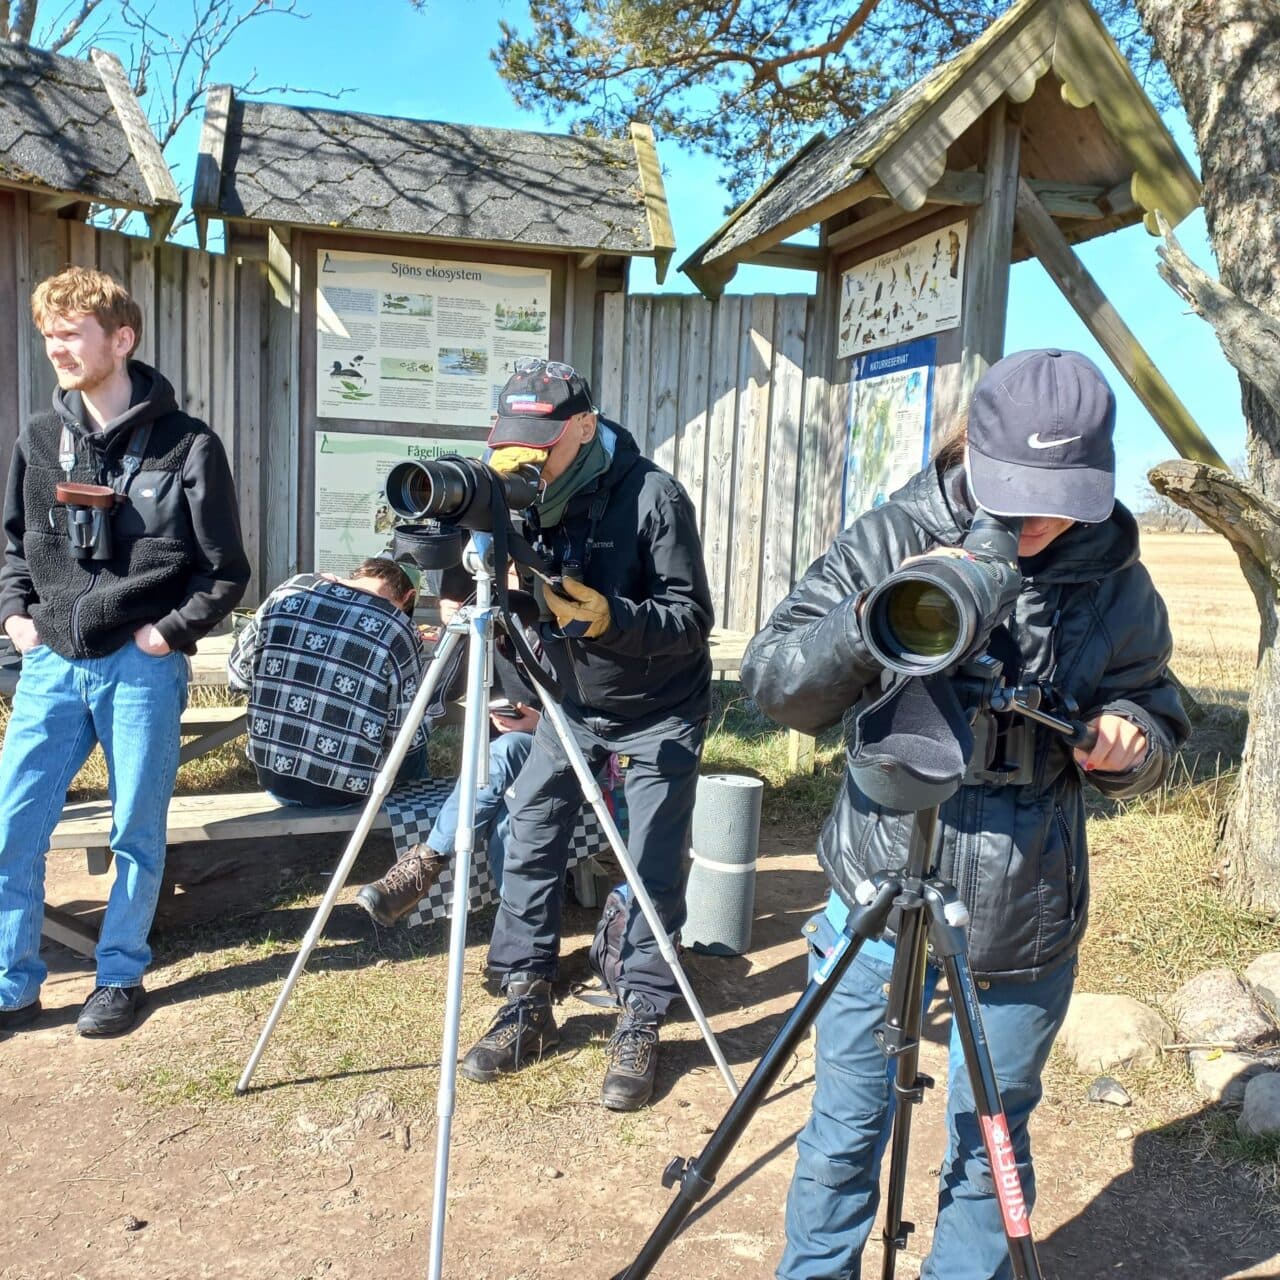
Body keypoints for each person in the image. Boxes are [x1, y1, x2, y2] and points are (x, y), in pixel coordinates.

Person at [742, 348, 1191, 1279]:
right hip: (879, 884)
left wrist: (1130, 741)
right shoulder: (898, 531)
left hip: (1027, 903)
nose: (1036, 518)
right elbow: (777, 685)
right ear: (970, 455)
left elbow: (1155, 704)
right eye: (1016, 489)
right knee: (842, 1129)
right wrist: (886, 612)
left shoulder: (1115, 577)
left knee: (991, 1146)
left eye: (1060, 493)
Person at [0, 266, 250, 1038]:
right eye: (49, 337)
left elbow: (224, 570)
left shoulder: (188, 446)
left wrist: (164, 634)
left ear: (121, 338)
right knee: (13, 825)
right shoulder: (41, 439)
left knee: (135, 829)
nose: (58, 350)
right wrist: (17, 617)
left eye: (71, 334)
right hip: (52, 662)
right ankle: (13, 983)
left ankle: (118, 975)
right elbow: (14, 544)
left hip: (141, 664)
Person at [460, 356, 714, 1111]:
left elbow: (693, 621)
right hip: (569, 706)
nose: (528, 456)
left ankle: (641, 1013)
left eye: (544, 441)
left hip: (659, 704)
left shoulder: (653, 498)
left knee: (650, 863)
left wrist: (612, 618)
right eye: (514, 441)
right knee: (530, 835)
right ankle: (525, 999)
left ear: (584, 426)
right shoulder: (517, 490)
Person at [354, 565, 544, 925]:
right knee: (506, 814)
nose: (505, 584)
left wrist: (541, 722)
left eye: (514, 574)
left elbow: (595, 706)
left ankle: (425, 862)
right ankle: (519, 936)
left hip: (563, 749)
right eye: (498, 574)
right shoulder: (493, 625)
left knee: (503, 753)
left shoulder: (551, 626)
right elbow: (443, 691)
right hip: (506, 767)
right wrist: (457, 630)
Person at [227, 557, 430, 810]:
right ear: (409, 595)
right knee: (417, 735)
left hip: (271, 776)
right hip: (344, 791)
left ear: (357, 575)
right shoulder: (398, 628)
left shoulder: (292, 589)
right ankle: (421, 822)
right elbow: (404, 733)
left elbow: (238, 675)